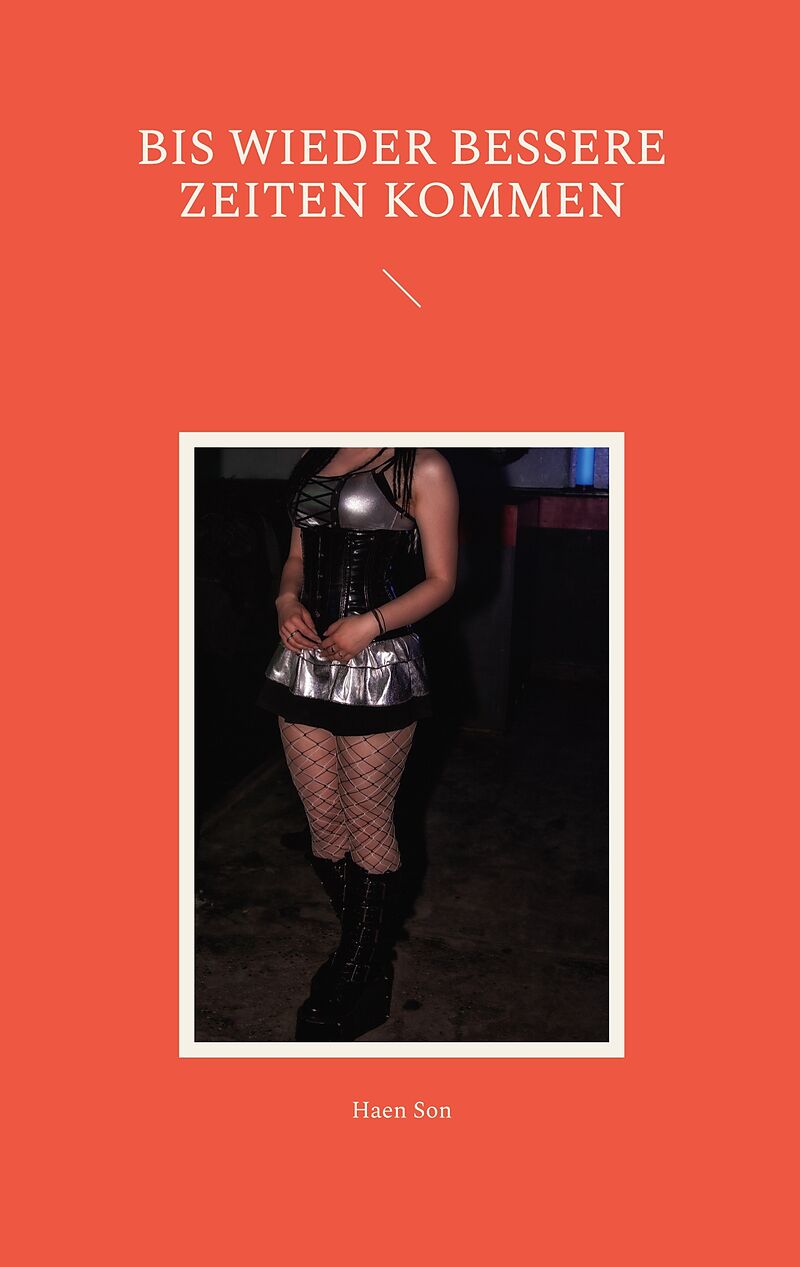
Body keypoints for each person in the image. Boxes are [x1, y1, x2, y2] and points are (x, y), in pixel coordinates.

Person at [258, 446, 459, 1040]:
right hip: (303, 664)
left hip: (380, 666)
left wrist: (371, 623)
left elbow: (443, 581)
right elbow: (297, 557)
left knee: (367, 819)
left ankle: (357, 962)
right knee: (324, 823)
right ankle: (364, 947)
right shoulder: (315, 454)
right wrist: (286, 600)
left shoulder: (420, 464)